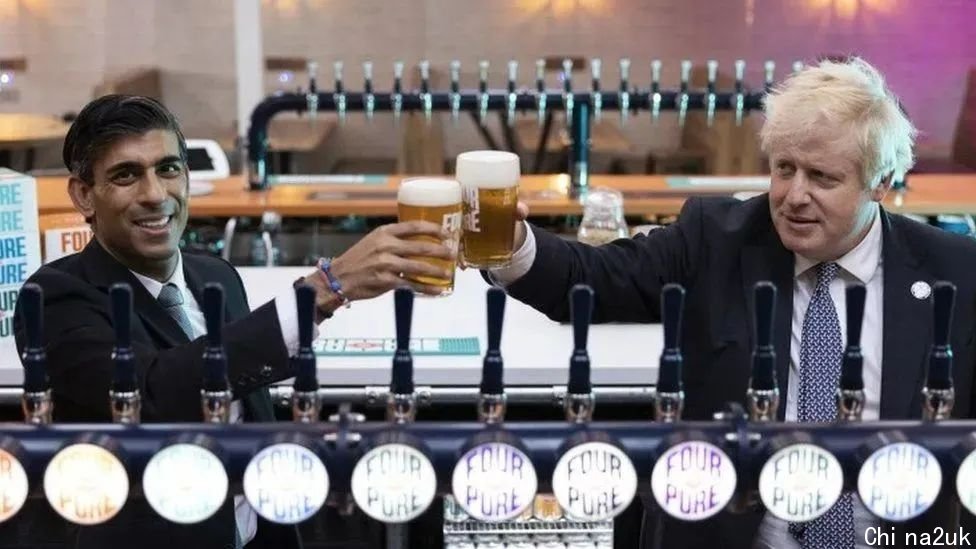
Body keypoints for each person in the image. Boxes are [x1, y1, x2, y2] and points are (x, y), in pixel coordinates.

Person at [487, 58, 976, 548]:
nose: (794, 196)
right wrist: (513, 244)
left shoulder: (956, 272)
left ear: (881, 182)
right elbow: (591, 279)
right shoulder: (716, 239)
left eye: (822, 177)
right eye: (784, 169)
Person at [13, 95, 453, 548]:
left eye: (168, 169)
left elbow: (246, 397)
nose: (155, 194)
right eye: (126, 175)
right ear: (83, 195)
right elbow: (152, 394)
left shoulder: (215, 275)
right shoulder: (52, 297)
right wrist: (322, 291)